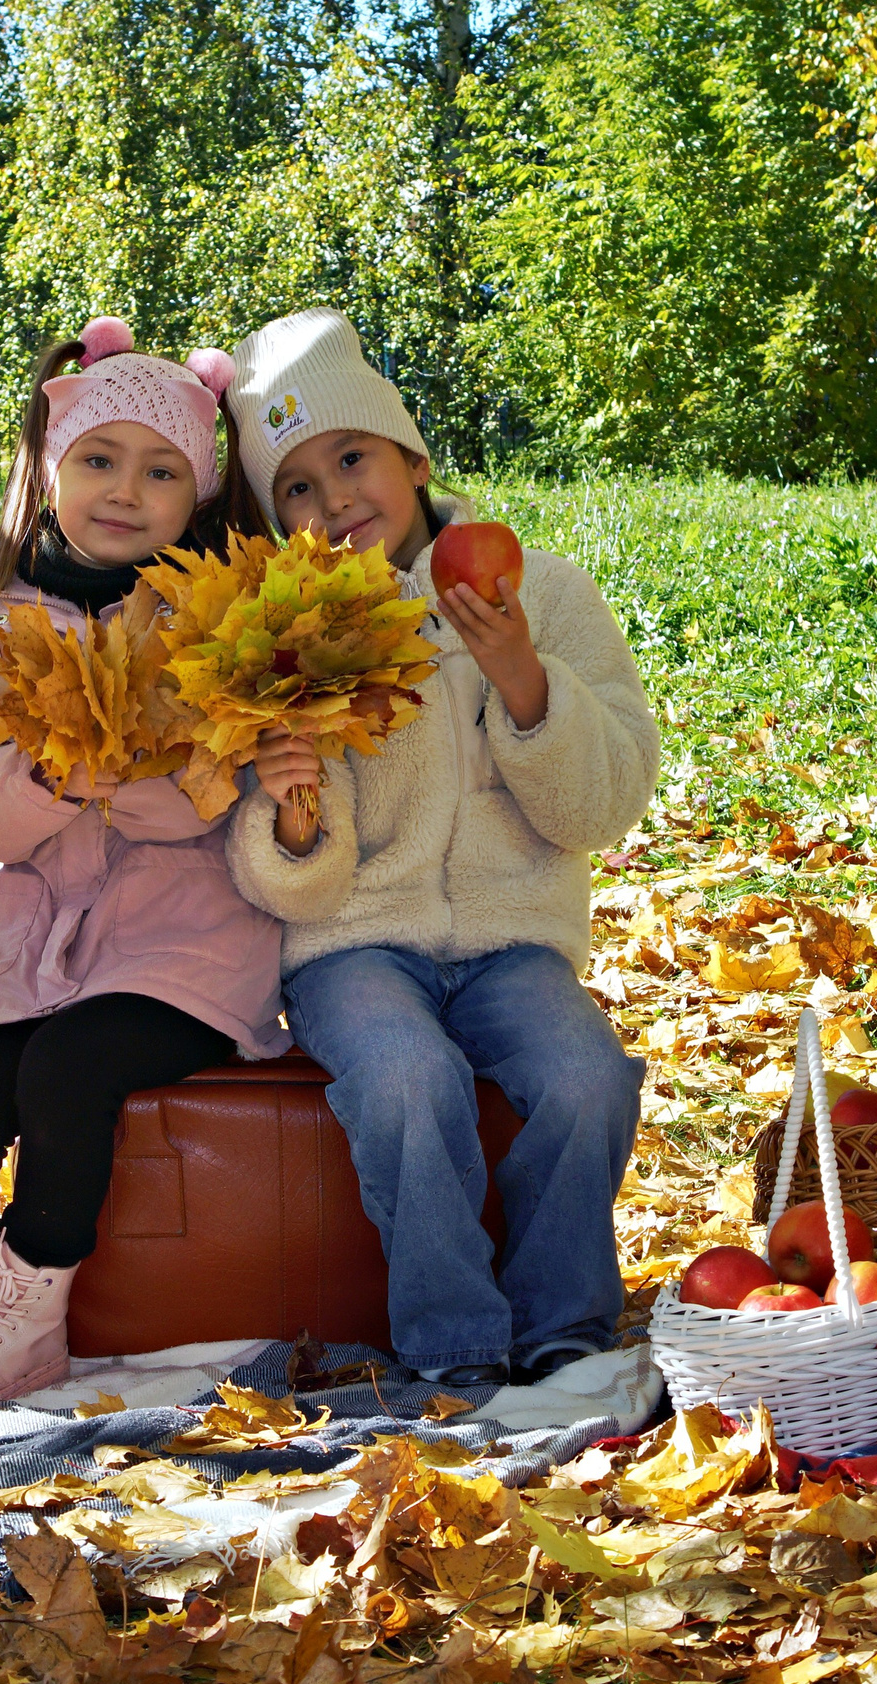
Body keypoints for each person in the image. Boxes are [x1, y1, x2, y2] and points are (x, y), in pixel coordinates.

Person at [0, 318, 285, 1408]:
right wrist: (50, 771)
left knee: (67, 1073)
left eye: (161, 471)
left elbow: (201, 796)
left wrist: (106, 759)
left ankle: (27, 1316)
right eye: (99, 459)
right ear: (50, 468)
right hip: (28, 952)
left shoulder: (205, 625)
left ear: (197, 497)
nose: (125, 490)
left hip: (177, 949)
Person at [221, 308, 659, 1388]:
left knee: (584, 1075)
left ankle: (563, 1328)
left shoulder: (543, 591)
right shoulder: (298, 634)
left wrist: (523, 680)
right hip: (355, 944)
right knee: (408, 1078)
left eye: (352, 458)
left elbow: (603, 805)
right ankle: (454, 1345)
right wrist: (295, 821)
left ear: (413, 458)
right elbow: (290, 879)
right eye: (297, 487)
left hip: (513, 941)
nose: (335, 499)